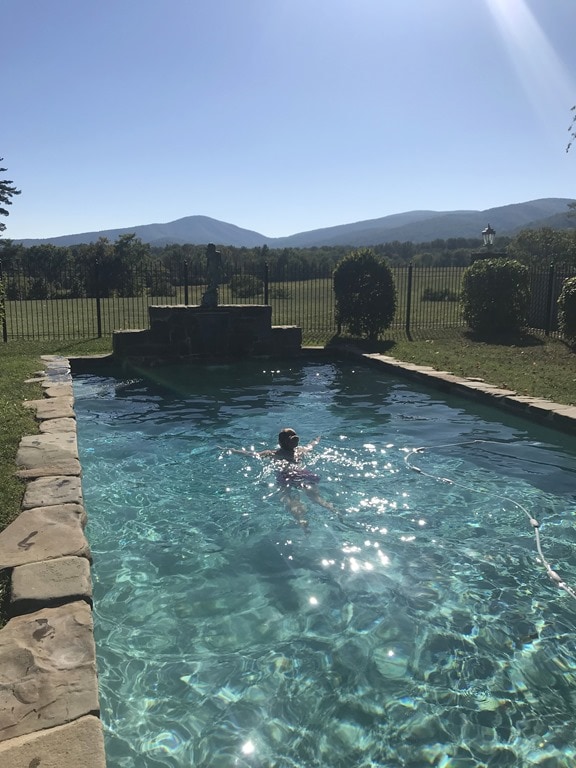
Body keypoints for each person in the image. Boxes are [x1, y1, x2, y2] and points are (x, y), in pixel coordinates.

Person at [222, 428, 336, 529]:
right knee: (316, 497)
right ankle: (333, 510)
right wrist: (317, 438)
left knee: (287, 497)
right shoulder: (301, 451)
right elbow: (312, 445)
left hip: (286, 476)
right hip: (302, 474)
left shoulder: (272, 453)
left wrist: (233, 450)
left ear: (279, 442)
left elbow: (251, 454)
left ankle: (301, 519)